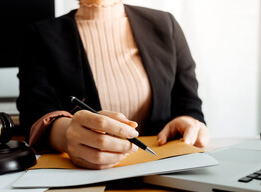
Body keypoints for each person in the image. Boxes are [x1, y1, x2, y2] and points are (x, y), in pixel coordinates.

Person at [17, 0, 210, 169]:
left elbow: (189, 103)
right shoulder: (40, 35)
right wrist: (66, 135)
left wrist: (189, 121)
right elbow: (34, 111)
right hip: (84, 178)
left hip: (165, 170)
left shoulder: (165, 25)